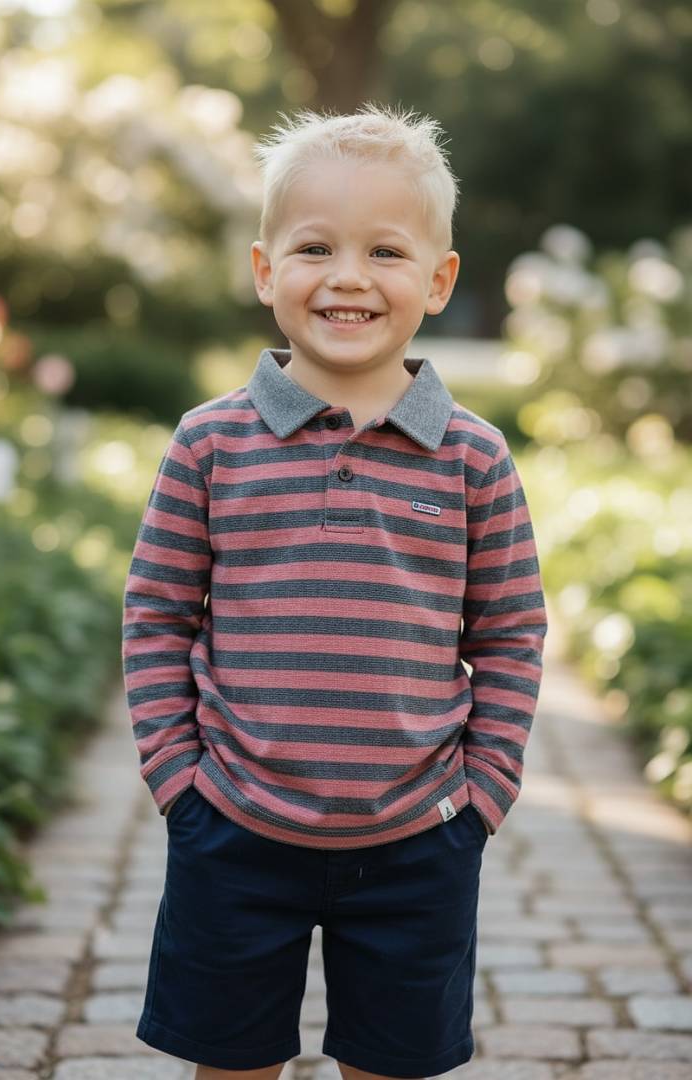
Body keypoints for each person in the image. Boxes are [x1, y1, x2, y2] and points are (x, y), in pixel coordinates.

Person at [122, 101, 548, 1080]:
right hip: (233, 828)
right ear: (267, 269)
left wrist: (484, 795)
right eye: (315, 247)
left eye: (385, 252)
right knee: (228, 1063)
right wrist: (179, 783)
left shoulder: (474, 457)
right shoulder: (209, 443)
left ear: (439, 280)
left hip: (418, 841)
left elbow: (514, 631)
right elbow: (154, 615)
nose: (349, 276)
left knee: (394, 1065)